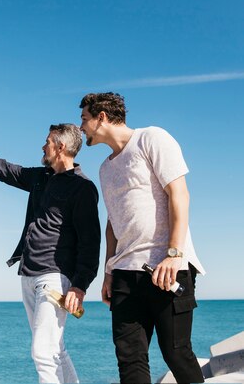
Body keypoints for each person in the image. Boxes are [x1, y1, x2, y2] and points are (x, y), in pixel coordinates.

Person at [0, 124, 100, 384]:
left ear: (60, 147)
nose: (43, 147)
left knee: (42, 352)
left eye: (47, 142)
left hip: (54, 277)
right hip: (28, 274)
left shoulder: (82, 187)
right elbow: (7, 170)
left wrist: (80, 285)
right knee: (55, 350)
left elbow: (90, 241)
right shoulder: (41, 177)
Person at [79, 92, 206, 383]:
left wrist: (174, 255)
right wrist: (109, 271)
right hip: (125, 273)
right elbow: (113, 222)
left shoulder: (152, 138)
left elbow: (179, 194)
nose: (82, 127)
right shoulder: (105, 168)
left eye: (84, 119)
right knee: (130, 358)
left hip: (167, 268)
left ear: (102, 117)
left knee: (176, 353)